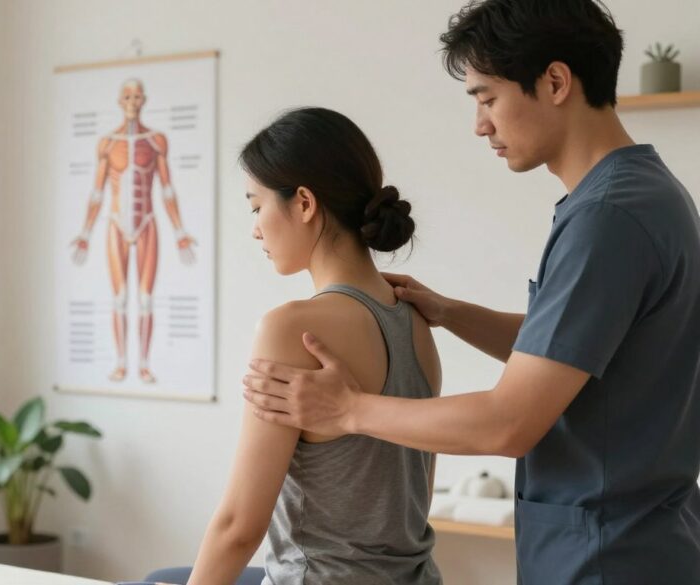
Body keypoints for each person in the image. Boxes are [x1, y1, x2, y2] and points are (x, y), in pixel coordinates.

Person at [242, 2, 700, 584]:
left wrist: (348, 409)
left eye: (487, 99)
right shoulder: (641, 195)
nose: (480, 124)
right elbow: (572, 351)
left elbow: (507, 424)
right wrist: (453, 313)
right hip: (633, 542)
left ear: (556, 82)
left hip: (607, 555)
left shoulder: (608, 218)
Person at [188, 107, 442, 585]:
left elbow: (240, 526)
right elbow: (413, 503)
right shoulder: (417, 322)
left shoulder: (291, 329)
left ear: (304, 203)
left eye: (255, 206)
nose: (255, 228)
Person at [70, 78, 197, 384]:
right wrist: (85, 233)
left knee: (145, 299)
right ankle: (120, 363)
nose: (132, 101)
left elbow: (167, 188)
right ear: (119, 100)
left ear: (144, 100)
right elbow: (97, 192)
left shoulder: (156, 141)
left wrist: (180, 231)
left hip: (147, 222)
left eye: (137, 96)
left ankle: (142, 364)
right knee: (119, 297)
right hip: (115, 224)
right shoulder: (108, 143)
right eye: (127, 96)